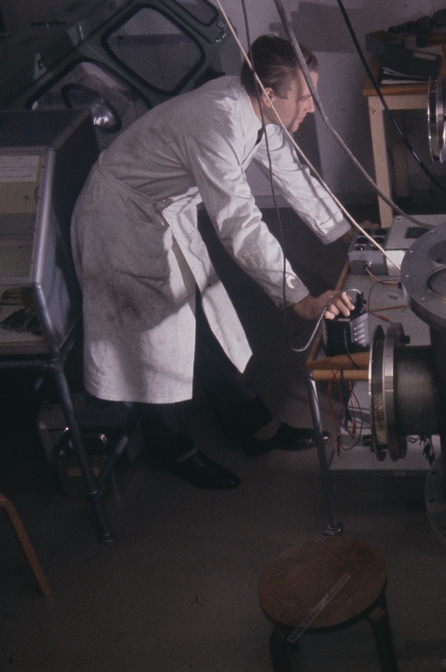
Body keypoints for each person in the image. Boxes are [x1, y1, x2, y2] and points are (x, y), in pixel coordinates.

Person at [71, 35, 356, 490]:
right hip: (120, 218)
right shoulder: (217, 124)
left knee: (209, 315)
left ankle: (253, 427)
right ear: (270, 94)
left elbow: (291, 172)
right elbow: (240, 224)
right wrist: (299, 298)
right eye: (305, 98)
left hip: (162, 211)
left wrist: (347, 233)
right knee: (154, 339)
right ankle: (174, 450)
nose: (311, 107)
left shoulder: (253, 107)